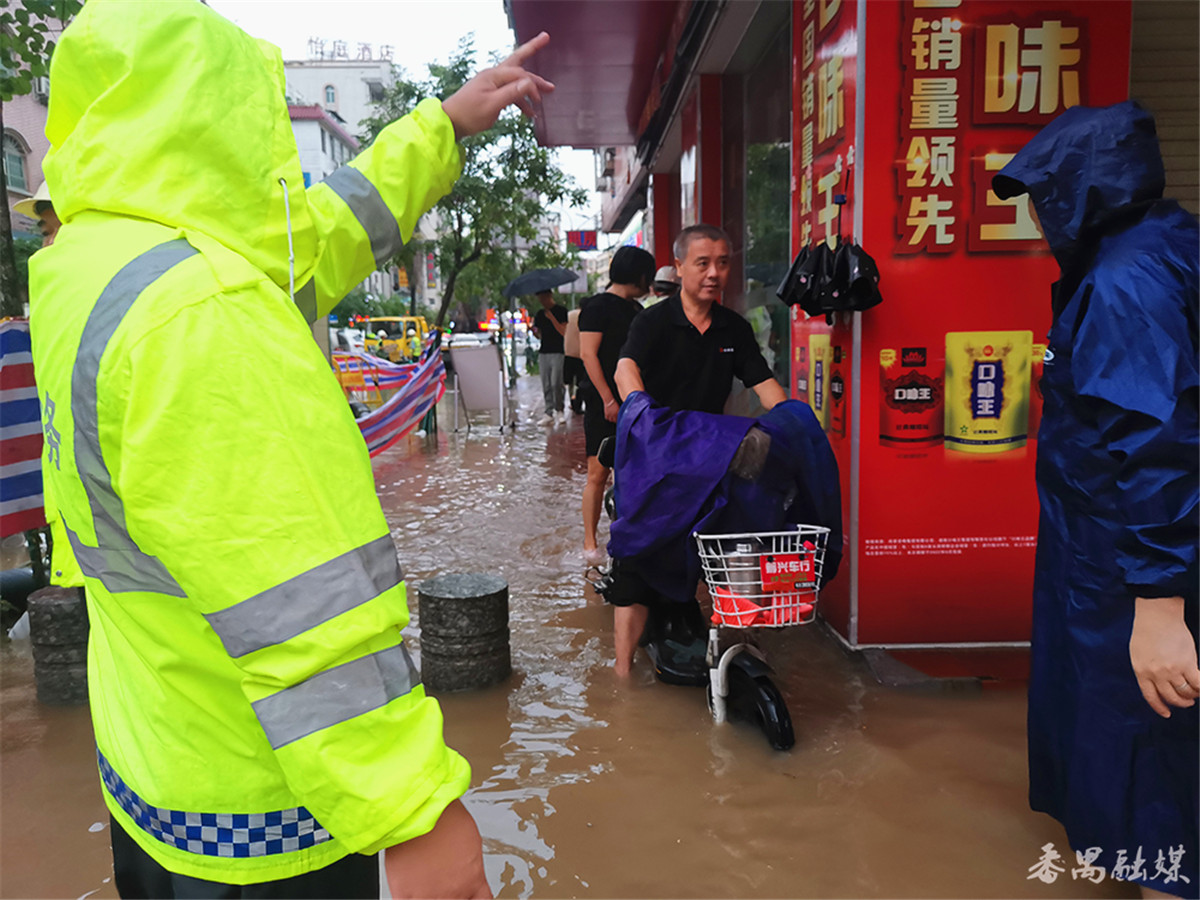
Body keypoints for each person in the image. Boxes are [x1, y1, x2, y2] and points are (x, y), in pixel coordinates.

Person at [28, 1, 552, 896]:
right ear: (225, 113)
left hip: (154, 769)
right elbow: (301, 605)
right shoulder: (203, 313)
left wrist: (441, 125)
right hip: (264, 815)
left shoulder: (88, 268)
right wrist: (413, 808)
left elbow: (319, 234)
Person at [992, 100, 1198, 897]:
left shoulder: (1123, 283)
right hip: (1129, 550)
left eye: (1043, 197)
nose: (1038, 218)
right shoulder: (1170, 245)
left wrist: (1160, 606)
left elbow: (1157, 443)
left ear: (1082, 188)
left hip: (1129, 566)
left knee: (1147, 759)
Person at [608, 224, 787, 675]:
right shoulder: (652, 322)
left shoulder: (733, 328)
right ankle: (621, 678)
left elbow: (763, 383)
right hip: (653, 456)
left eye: (722, 263)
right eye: (703, 263)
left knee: (729, 546)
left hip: (708, 458)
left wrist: (793, 421)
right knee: (635, 560)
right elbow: (625, 368)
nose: (713, 273)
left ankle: (733, 640)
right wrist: (641, 410)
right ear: (680, 267)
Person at [577, 245, 656, 567]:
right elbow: (588, 355)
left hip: (635, 401)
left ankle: (623, 537)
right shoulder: (596, 307)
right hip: (603, 402)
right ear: (639, 275)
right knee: (598, 472)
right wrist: (608, 399)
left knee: (631, 472)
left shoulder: (638, 310)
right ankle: (590, 543)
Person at [531, 289, 568, 425]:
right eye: (540, 299)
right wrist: (534, 331)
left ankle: (559, 409)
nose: (542, 301)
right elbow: (539, 335)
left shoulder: (561, 311)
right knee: (546, 384)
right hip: (544, 352)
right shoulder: (540, 314)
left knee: (556, 382)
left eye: (543, 298)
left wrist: (552, 318)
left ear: (549, 296)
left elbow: (563, 331)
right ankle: (548, 412)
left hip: (558, 351)